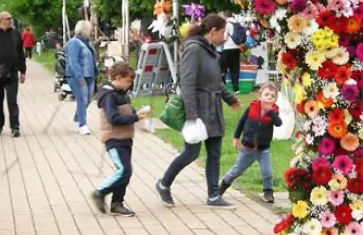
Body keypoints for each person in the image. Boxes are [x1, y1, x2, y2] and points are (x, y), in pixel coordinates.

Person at [156, 14, 241, 208]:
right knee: (191, 153)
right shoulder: (194, 49)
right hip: (199, 108)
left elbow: (216, 80)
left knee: (214, 152)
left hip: (213, 107)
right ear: (212, 32)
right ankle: (163, 184)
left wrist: (230, 99)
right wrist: (192, 115)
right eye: (222, 32)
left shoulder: (211, 51)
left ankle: (213, 196)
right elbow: (187, 83)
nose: (224, 37)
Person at [91, 62, 150, 216]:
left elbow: (125, 113)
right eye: (128, 81)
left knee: (125, 171)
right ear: (118, 78)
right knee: (124, 170)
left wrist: (137, 113)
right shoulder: (109, 96)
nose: (129, 85)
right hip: (114, 138)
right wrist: (135, 117)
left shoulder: (120, 94)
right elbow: (114, 119)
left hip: (124, 138)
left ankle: (117, 203)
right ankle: (100, 192)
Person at [218, 82, 282, 204]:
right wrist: (236, 137)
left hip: (263, 149)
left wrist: (271, 112)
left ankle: (268, 192)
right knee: (237, 170)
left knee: (267, 172)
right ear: (260, 96)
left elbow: (278, 123)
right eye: (266, 94)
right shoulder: (252, 106)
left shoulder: (274, 111)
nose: (269, 97)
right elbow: (242, 121)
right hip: (248, 148)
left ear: (275, 100)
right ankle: (222, 187)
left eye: (272, 96)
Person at [0, 11, 26, 137]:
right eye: (8, 18)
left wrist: (23, 71)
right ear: (0, 20)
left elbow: (21, 53)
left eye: (11, 18)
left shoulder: (15, 34)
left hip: (12, 72)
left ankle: (15, 127)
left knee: (12, 100)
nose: (10, 20)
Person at [65, 20, 99, 135]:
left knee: (87, 100)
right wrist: (80, 77)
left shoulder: (88, 42)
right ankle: (83, 125)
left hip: (90, 75)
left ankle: (76, 119)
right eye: (90, 29)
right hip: (77, 76)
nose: (92, 31)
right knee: (82, 99)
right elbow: (74, 62)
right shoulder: (74, 43)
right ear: (85, 29)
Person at [219, 12, 243, 94]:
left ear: (225, 16)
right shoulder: (237, 22)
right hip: (236, 48)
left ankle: (224, 88)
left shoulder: (226, 24)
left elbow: (224, 37)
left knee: (223, 69)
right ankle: (236, 89)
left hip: (227, 48)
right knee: (235, 70)